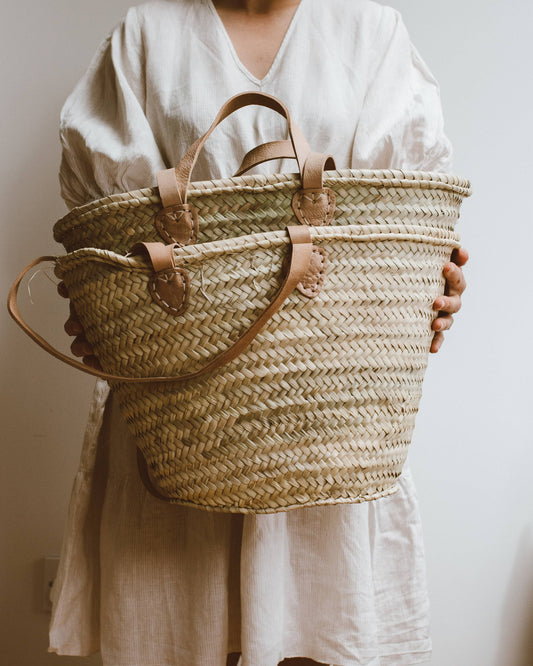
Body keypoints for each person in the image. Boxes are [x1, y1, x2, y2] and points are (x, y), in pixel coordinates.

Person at [51, 1, 468, 665]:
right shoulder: (147, 34)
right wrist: (102, 307)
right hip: (183, 414)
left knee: (317, 638)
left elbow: (401, 218)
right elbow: (109, 223)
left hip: (326, 415)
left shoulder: (366, 29)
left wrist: (429, 284)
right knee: (178, 638)